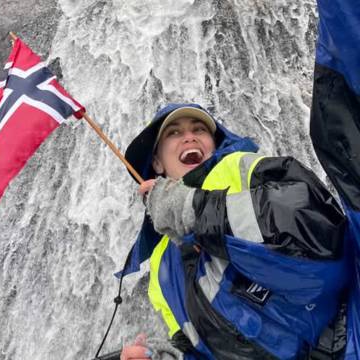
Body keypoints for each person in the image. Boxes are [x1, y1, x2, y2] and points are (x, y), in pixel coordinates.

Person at [120, 103, 351, 360]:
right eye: (174, 132)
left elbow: (317, 232)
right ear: (157, 163)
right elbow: (197, 344)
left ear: (214, 146)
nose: (189, 136)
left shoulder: (241, 169)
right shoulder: (159, 263)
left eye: (199, 129)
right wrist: (170, 356)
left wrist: (194, 209)